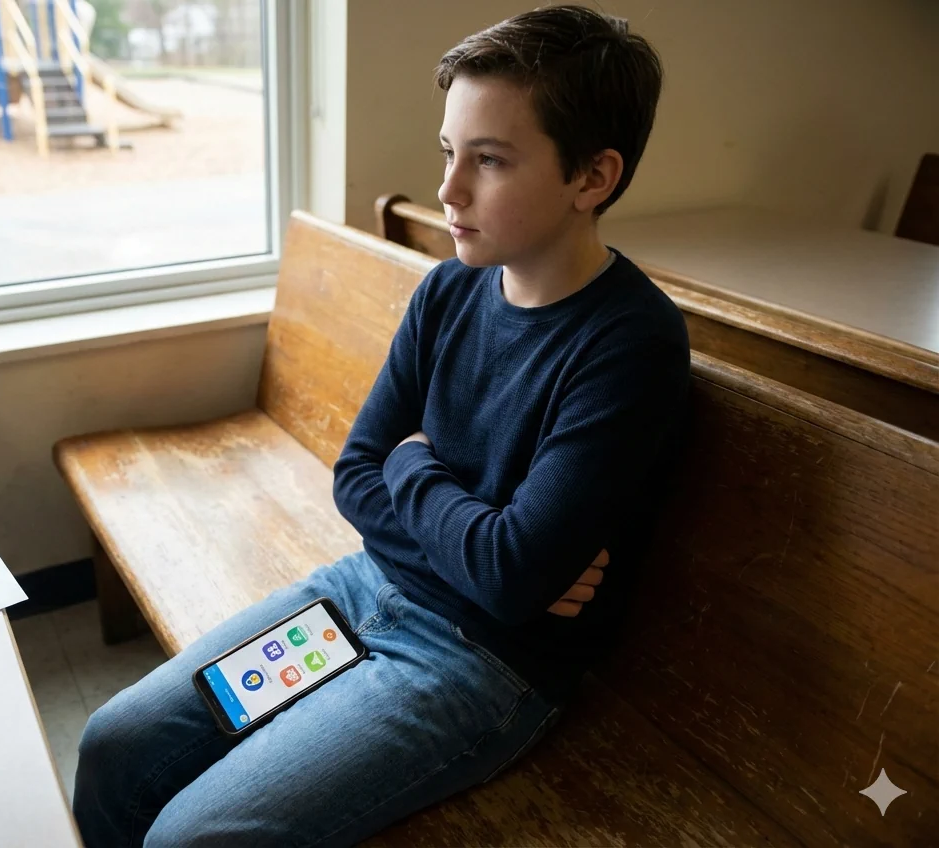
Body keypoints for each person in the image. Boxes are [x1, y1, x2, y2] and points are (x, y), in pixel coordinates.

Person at [72, 6, 689, 846]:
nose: (448, 190)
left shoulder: (629, 344)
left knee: (193, 838)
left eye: (491, 161)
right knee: (115, 746)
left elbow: (502, 576)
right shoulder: (449, 291)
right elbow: (354, 476)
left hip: (476, 664)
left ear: (592, 178)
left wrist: (415, 469)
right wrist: (473, 531)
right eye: (449, 153)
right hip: (360, 594)